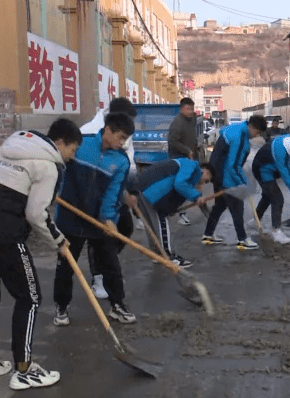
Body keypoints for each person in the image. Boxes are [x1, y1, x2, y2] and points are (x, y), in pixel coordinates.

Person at [0, 119, 82, 390]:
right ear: (60, 142)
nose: (72, 156)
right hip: (6, 235)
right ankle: (24, 369)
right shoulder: (49, 165)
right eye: (73, 149)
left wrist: (12, 179)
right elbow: (36, 215)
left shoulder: (11, 146)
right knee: (29, 298)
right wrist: (59, 241)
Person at [53, 112, 138, 326]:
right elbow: (58, 169)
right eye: (120, 136)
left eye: (126, 138)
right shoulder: (81, 145)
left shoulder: (121, 161)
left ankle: (117, 304)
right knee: (66, 265)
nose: (122, 142)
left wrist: (109, 218)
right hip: (70, 216)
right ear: (107, 130)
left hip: (98, 221)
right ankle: (61, 307)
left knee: (110, 264)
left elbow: (113, 193)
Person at [82, 97, 138, 300]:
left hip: (114, 192)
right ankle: (99, 277)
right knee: (96, 237)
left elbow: (129, 163)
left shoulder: (124, 133)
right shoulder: (88, 132)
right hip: (91, 194)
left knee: (125, 227)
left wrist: (132, 191)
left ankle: (107, 266)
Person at [131, 159, 214, 267]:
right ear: (206, 171)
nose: (203, 182)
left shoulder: (187, 167)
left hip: (145, 192)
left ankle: (158, 254)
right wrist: (196, 196)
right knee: (162, 224)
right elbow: (180, 184)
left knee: (153, 227)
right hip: (153, 195)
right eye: (207, 180)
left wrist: (172, 207)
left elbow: (175, 188)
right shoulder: (191, 165)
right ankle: (168, 256)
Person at [202, 115, 267, 250]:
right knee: (237, 207)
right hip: (226, 177)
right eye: (257, 132)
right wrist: (243, 182)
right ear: (252, 127)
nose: (256, 136)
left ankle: (208, 234)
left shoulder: (237, 129)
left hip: (218, 173)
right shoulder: (240, 137)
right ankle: (242, 239)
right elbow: (233, 165)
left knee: (220, 206)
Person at [251, 134, 290, 244]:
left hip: (272, 168)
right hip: (262, 168)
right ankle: (276, 231)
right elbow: (289, 179)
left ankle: (254, 221)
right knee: (277, 198)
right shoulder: (281, 153)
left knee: (267, 196)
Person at [168, 97, 200, 226]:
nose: (190, 111)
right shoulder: (177, 122)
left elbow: (194, 140)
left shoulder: (192, 120)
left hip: (190, 159)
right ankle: (178, 213)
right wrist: (187, 151)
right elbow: (172, 142)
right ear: (181, 109)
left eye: (192, 109)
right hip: (178, 160)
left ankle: (181, 212)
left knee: (186, 186)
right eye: (188, 109)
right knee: (179, 187)